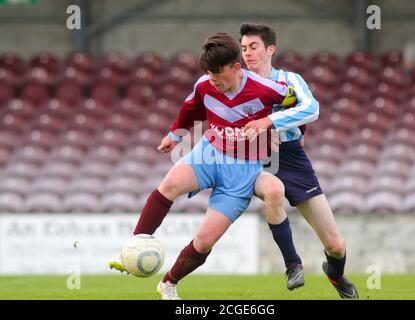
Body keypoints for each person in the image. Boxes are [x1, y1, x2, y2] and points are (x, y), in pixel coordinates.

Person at [109, 32, 303, 299]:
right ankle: (134, 245)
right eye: (209, 73)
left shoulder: (267, 89)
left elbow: (297, 105)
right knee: (170, 184)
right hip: (208, 155)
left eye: (218, 73)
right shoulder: (204, 85)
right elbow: (190, 109)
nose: (213, 79)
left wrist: (279, 128)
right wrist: (174, 136)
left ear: (236, 68)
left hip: (243, 173)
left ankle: (168, 283)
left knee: (204, 241)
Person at [239, 22, 359, 299]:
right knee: (273, 193)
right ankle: (293, 265)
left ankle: (335, 274)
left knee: (336, 245)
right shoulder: (238, 83)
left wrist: (269, 123)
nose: (247, 53)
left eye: (254, 47)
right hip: (252, 160)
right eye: (243, 48)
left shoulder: (289, 80)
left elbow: (311, 109)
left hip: (292, 159)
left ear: (271, 49)